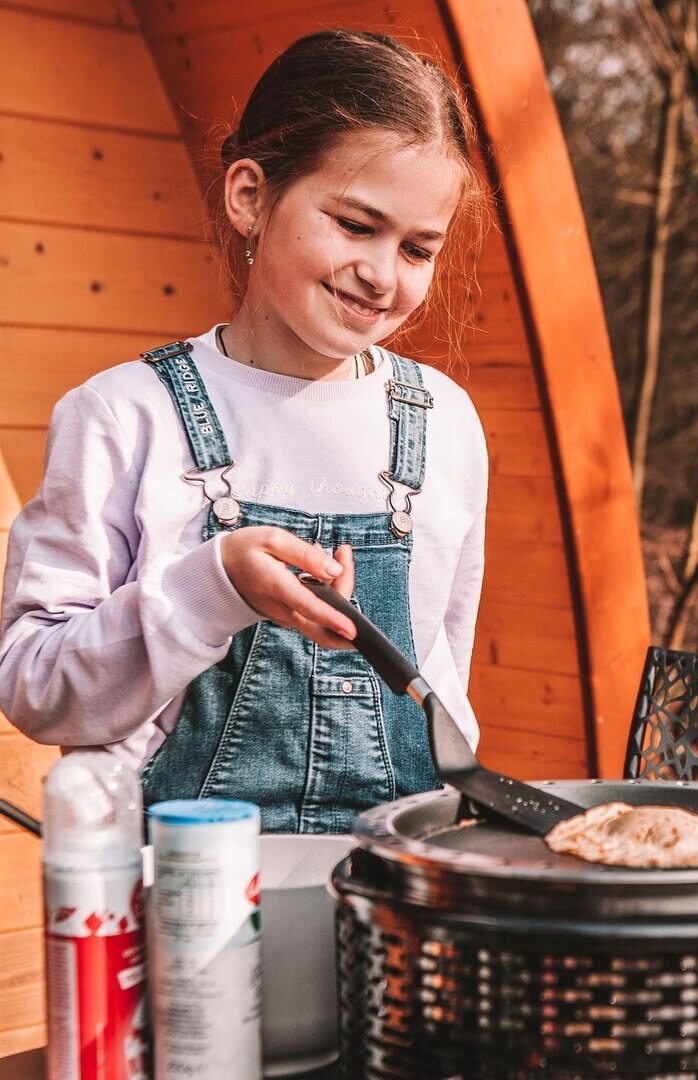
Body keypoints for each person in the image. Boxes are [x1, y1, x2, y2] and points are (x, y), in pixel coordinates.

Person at [0, 29, 488, 833]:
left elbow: (442, 683)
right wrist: (211, 589)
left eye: (417, 248)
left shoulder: (447, 424)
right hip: (180, 881)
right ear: (250, 197)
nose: (382, 274)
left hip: (395, 882)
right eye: (355, 224)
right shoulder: (124, 416)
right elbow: (33, 684)